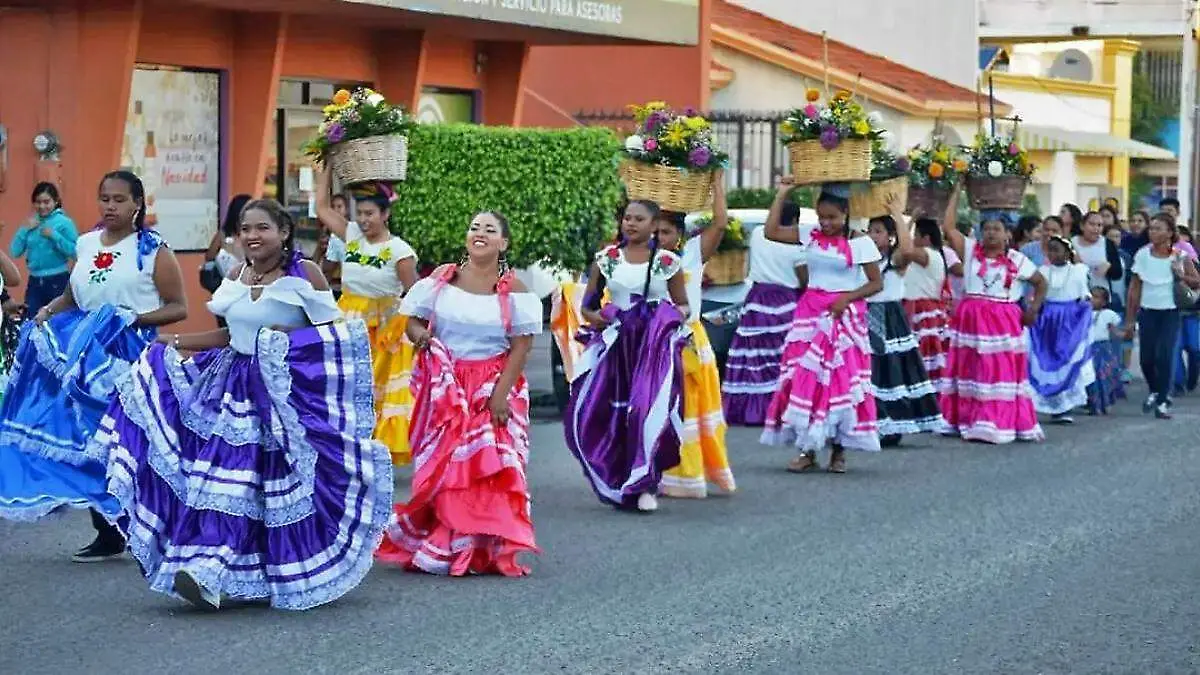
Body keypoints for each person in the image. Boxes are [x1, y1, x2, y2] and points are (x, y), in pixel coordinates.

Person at [90, 199, 391, 610]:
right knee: (222, 483)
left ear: (284, 232)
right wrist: (169, 342)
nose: (252, 235)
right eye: (246, 228)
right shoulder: (235, 274)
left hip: (285, 400)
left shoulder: (306, 274)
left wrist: (286, 339)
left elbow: (332, 339)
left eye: (262, 227)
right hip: (232, 389)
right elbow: (230, 337)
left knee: (273, 490)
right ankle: (206, 571)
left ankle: (265, 567)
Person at [0, 170, 187, 563]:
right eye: (105, 199)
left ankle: (154, 526)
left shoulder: (153, 249)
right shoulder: (86, 243)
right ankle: (108, 529)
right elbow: (74, 294)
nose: (110, 206)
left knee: (131, 442)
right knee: (89, 441)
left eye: (119, 199)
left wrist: (130, 319)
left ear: (137, 203)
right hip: (85, 353)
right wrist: (49, 311)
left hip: (130, 355)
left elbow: (178, 307)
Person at [377, 211, 540, 575]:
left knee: (487, 467)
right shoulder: (441, 278)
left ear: (503, 243)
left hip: (492, 384)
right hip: (446, 386)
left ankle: (481, 547)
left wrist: (500, 396)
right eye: (474, 228)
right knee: (448, 467)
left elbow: (521, 347)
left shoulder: (514, 289)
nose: (480, 233)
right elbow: (413, 321)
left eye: (490, 230)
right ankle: (446, 543)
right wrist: (421, 336)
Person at [565, 199, 689, 512]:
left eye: (639, 219)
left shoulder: (667, 262)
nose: (631, 224)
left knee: (646, 410)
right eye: (627, 218)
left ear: (654, 225)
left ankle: (646, 484)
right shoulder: (606, 259)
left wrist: (667, 318)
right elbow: (588, 307)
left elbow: (683, 305)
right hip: (617, 348)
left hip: (653, 349)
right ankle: (619, 479)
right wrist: (603, 318)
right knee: (612, 413)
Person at [760, 178, 883, 473]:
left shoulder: (860, 242)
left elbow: (876, 283)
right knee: (806, 379)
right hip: (810, 315)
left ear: (846, 214)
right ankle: (808, 450)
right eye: (822, 217)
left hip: (844, 318)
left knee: (840, 381)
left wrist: (846, 298)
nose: (826, 223)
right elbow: (770, 231)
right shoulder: (809, 235)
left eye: (832, 217)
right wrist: (783, 192)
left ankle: (839, 451)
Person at [316, 168, 419, 466]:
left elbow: (415, 294)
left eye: (370, 213)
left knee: (378, 391)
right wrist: (328, 166)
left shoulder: (399, 250)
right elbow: (322, 207)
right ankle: (349, 452)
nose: (363, 219)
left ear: (385, 214)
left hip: (385, 331)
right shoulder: (351, 235)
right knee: (348, 388)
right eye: (359, 213)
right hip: (348, 324)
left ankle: (375, 455)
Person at [938, 184, 1047, 444]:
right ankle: (968, 420)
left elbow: (1041, 282)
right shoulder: (970, 252)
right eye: (986, 229)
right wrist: (957, 190)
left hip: (1002, 322)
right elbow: (949, 227)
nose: (990, 233)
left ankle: (996, 422)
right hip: (971, 319)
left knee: (998, 371)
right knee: (971, 369)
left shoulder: (1018, 260)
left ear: (1008, 234)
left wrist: (1033, 309)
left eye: (997, 229)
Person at [654, 173, 736, 498]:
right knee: (655, 408)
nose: (659, 237)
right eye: (656, 231)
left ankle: (686, 474)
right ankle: (652, 472)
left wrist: (717, 185)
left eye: (666, 232)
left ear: (679, 234)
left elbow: (720, 223)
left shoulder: (691, 253)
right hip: (653, 343)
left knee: (688, 410)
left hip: (688, 340)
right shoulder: (644, 257)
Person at [722, 199, 809, 426]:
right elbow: (804, 281)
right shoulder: (798, 247)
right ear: (795, 220)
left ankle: (749, 410)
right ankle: (780, 408)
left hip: (756, 301)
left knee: (752, 355)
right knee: (783, 357)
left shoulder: (758, 234)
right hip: (786, 303)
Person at [865, 197, 944, 446]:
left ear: (889, 236)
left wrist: (898, 216)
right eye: (870, 230)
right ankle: (869, 421)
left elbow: (907, 249)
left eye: (878, 231)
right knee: (867, 371)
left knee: (890, 371)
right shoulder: (865, 259)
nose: (872, 235)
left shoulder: (895, 260)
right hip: (865, 315)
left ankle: (891, 423)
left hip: (890, 317)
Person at [1123, 212, 1200, 419]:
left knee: (1164, 356)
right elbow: (1134, 289)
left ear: (1169, 233)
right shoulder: (1142, 255)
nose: (1153, 232)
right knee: (1147, 359)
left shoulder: (1180, 256)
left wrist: (1181, 275)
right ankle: (1155, 390)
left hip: (1170, 313)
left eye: (1158, 228)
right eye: (1152, 228)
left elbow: (1196, 281)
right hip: (1147, 312)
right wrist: (1130, 320)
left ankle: (1164, 400)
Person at [1027, 236, 1094, 423]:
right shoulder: (1042, 272)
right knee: (1045, 360)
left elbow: (1084, 294)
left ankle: (1064, 407)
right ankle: (1047, 404)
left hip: (1069, 321)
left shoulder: (1079, 271)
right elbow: (1036, 295)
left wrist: (1084, 308)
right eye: (1050, 250)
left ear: (1067, 252)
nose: (1053, 254)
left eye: (1057, 250)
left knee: (1067, 359)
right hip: (1047, 320)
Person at [10, 182, 78, 317]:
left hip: (58, 279)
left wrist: (54, 236)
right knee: (31, 320)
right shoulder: (31, 223)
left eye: (46, 202)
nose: (42, 206)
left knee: (59, 320)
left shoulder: (64, 222)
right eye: (38, 202)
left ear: (55, 201)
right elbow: (14, 251)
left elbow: (75, 252)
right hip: (35, 281)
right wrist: (24, 229)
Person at [903, 217, 954, 393]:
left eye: (915, 235)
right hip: (922, 309)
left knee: (922, 359)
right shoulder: (932, 255)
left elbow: (904, 249)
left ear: (925, 238)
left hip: (922, 311)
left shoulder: (927, 254)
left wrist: (906, 220)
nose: (913, 239)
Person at [201, 194, 251, 328]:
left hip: (248, 291)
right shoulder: (223, 235)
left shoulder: (252, 236)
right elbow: (209, 257)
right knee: (226, 328)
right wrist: (225, 252)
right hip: (225, 291)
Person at [1086, 287, 1125, 414]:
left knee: (1104, 375)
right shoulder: (1083, 313)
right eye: (1091, 296)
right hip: (1088, 348)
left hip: (1104, 348)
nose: (1092, 300)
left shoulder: (1109, 314)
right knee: (1090, 377)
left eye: (1096, 297)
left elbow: (1115, 331)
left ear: (1104, 301)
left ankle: (1106, 402)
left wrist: (1125, 334)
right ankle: (1094, 404)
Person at [1073, 210, 1124, 293]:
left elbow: (1118, 274)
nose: (1096, 228)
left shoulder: (1108, 244)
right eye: (1092, 224)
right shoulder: (1072, 243)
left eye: (1099, 225)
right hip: (1076, 292)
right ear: (1082, 226)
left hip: (1101, 294)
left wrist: (1109, 268)